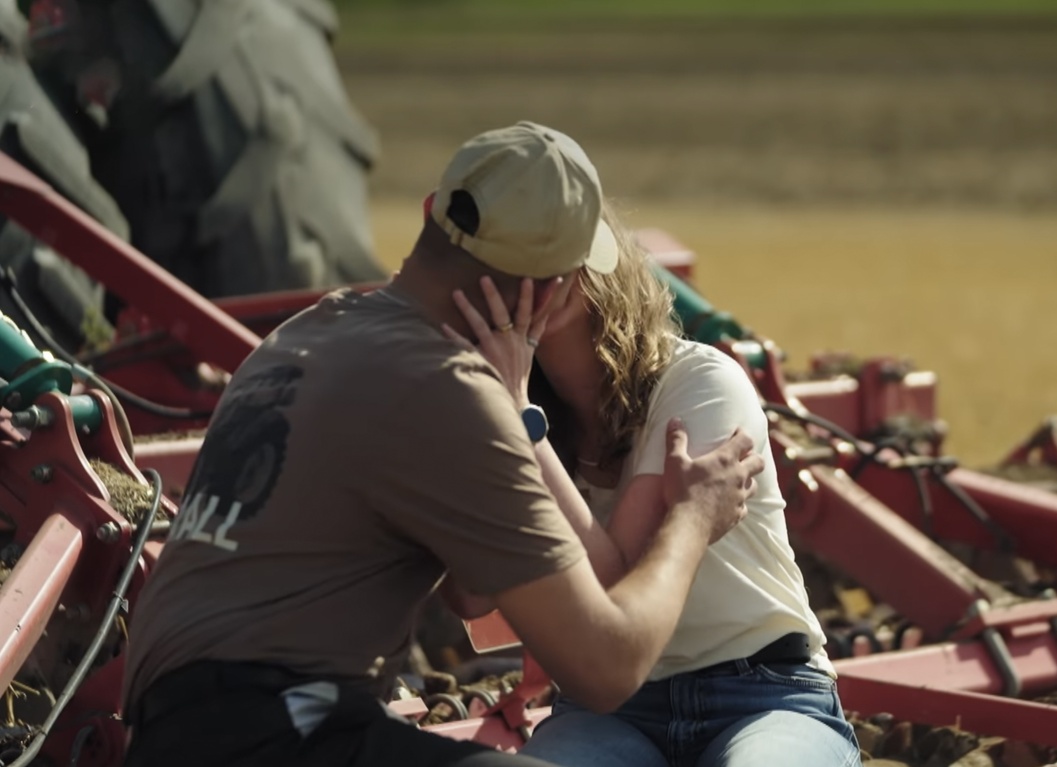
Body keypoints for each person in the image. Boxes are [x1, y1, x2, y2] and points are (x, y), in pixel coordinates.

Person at [118, 121, 768, 767]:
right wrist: (692, 518)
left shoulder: (304, 335)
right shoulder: (449, 387)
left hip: (166, 722)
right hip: (273, 726)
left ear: (432, 211)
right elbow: (606, 666)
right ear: (554, 289)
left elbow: (470, 593)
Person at [441, 205, 861, 766]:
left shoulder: (700, 381)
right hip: (607, 708)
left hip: (763, 693)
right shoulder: (510, 416)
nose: (541, 281)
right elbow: (471, 597)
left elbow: (616, 586)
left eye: (560, 259)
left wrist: (519, 415)